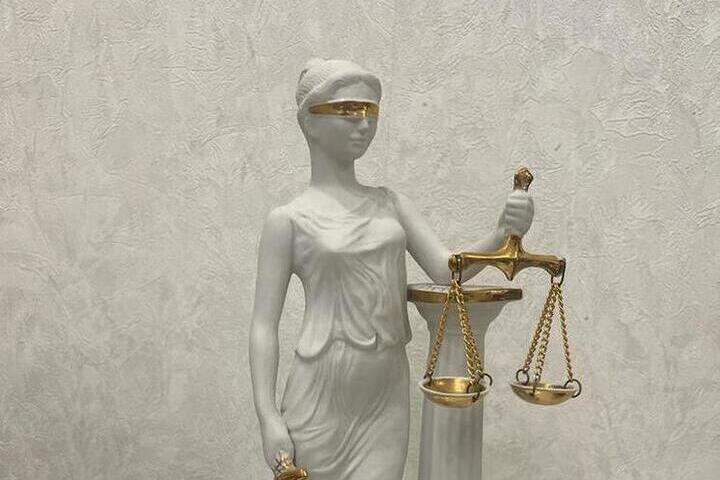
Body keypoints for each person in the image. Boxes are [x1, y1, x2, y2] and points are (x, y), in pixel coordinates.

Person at [249, 57, 534, 480]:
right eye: (348, 110)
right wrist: (268, 416)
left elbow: (446, 271)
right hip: (320, 392)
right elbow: (262, 327)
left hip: (385, 392)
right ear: (310, 121)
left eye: (370, 111)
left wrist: (501, 233)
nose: (363, 123)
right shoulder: (287, 221)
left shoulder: (391, 204)